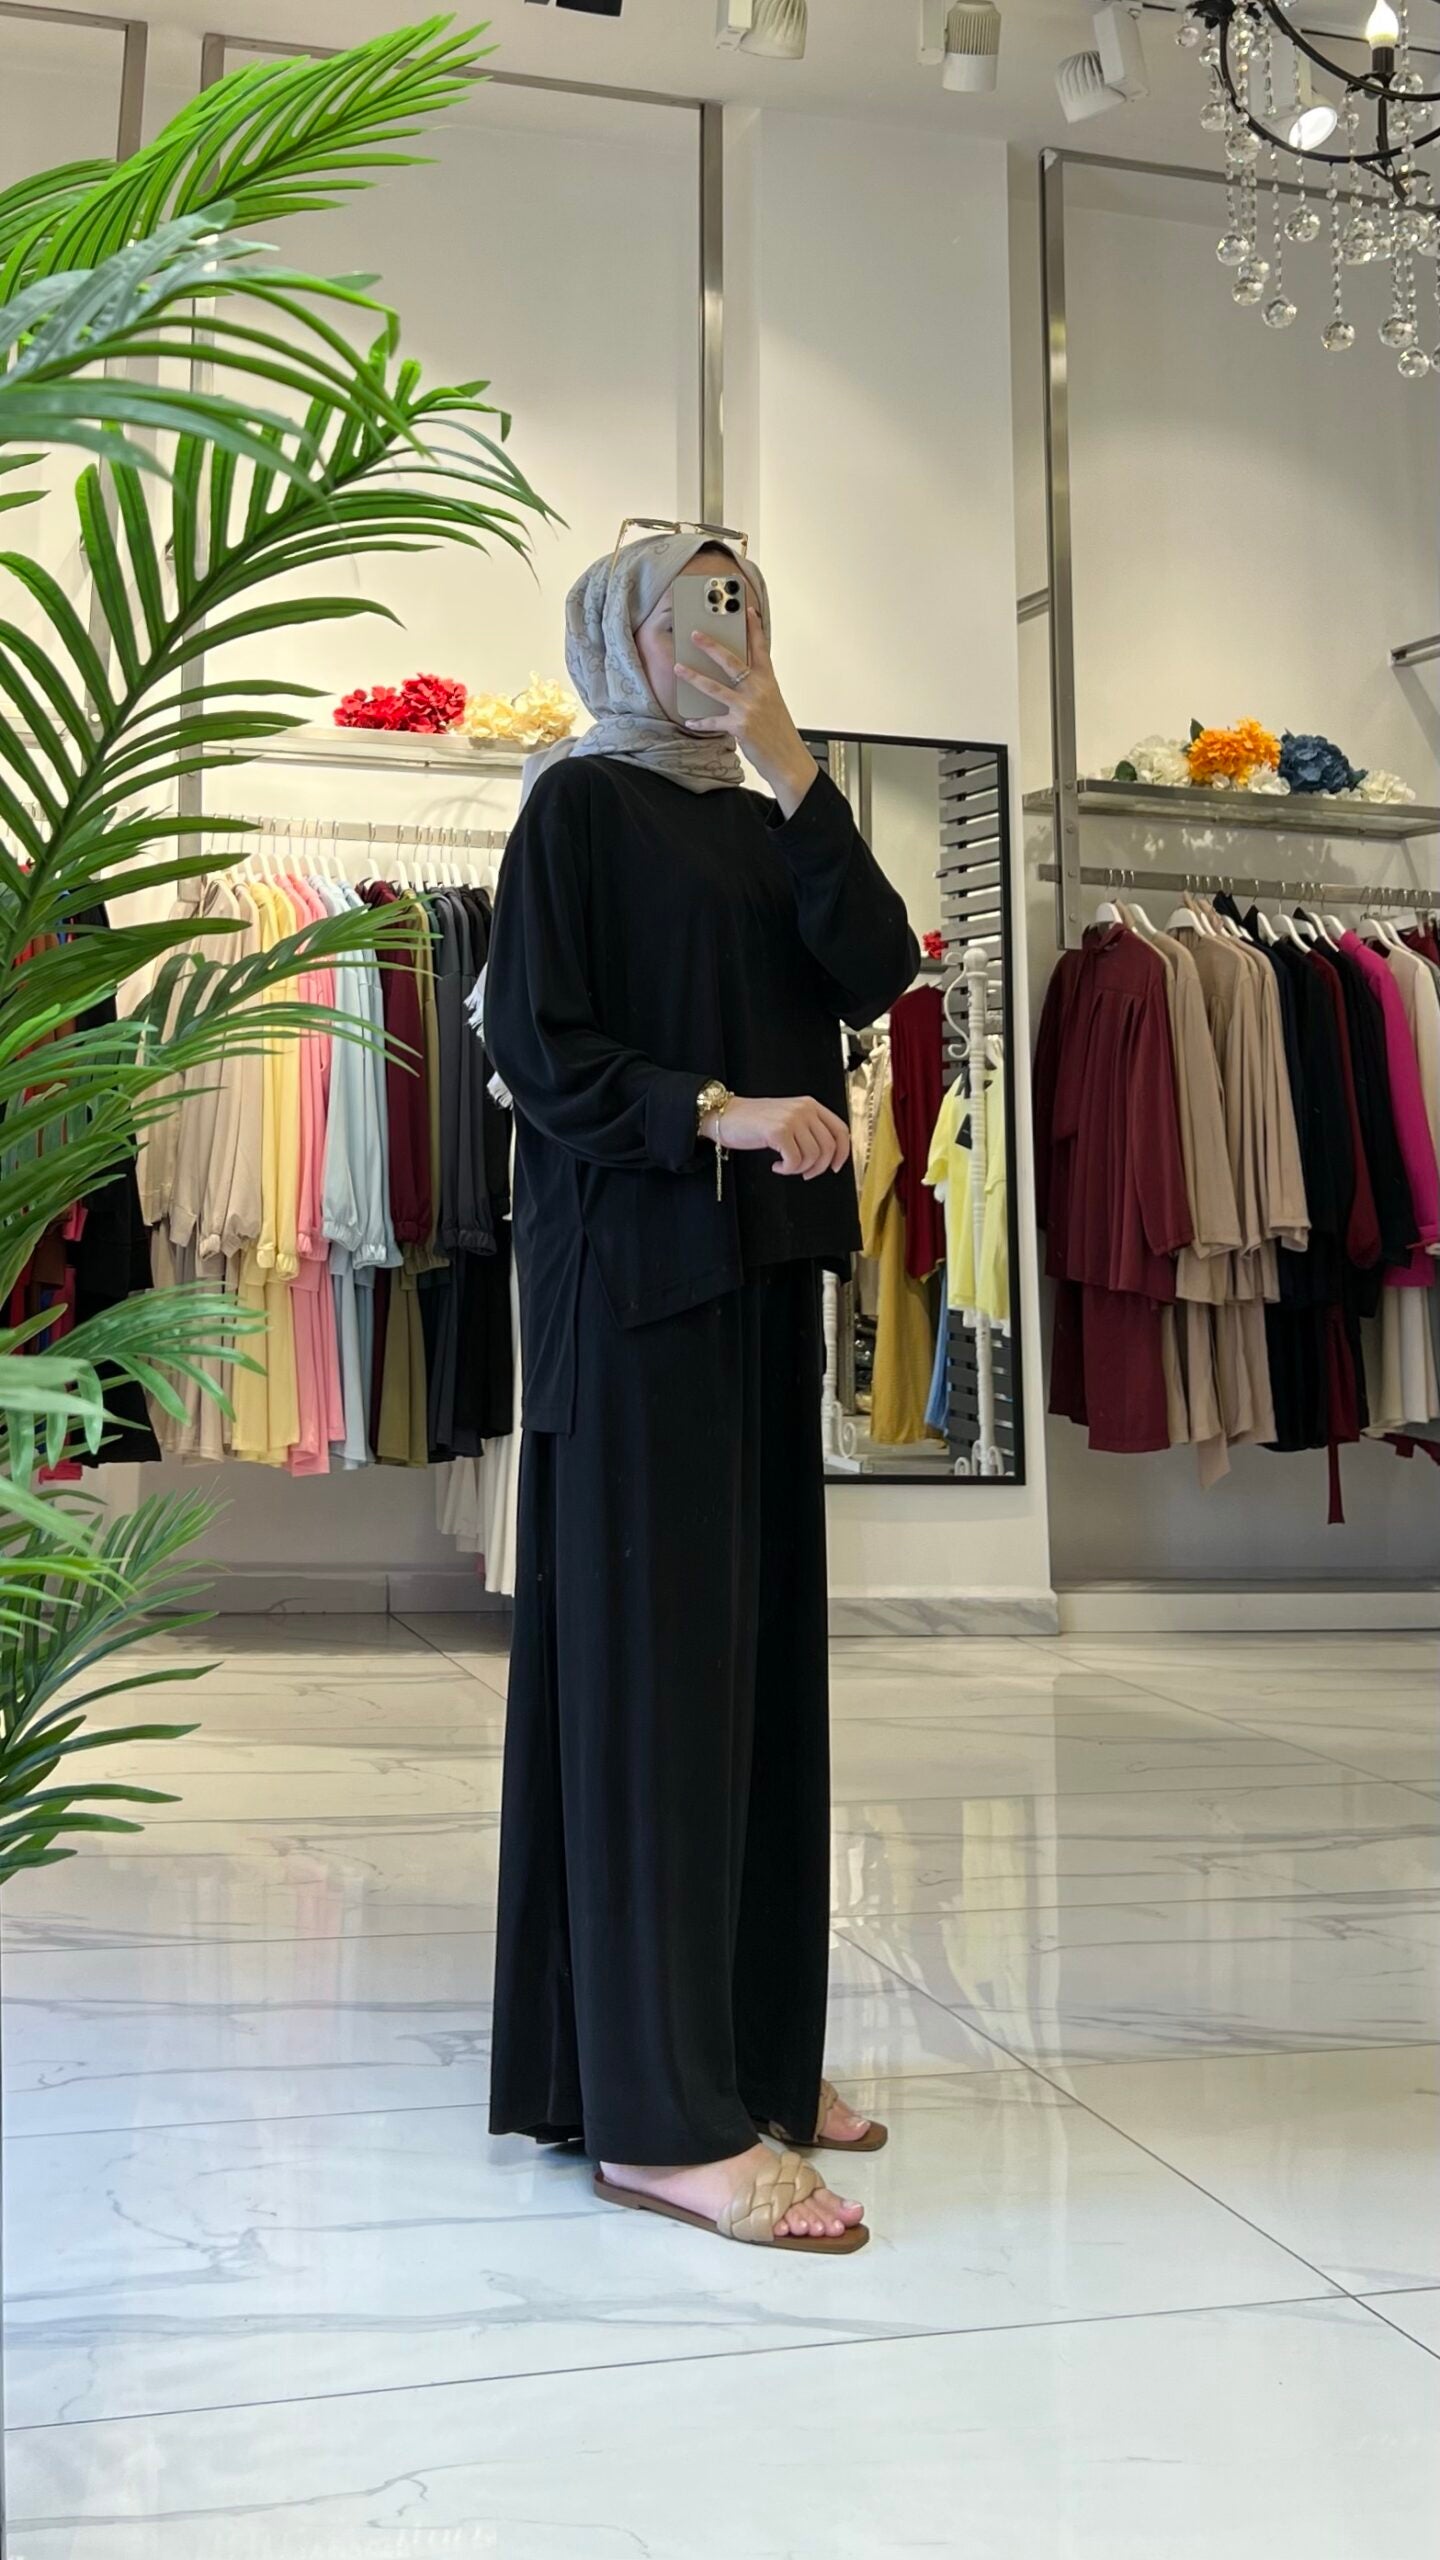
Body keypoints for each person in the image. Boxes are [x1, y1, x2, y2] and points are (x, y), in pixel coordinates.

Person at [484, 528, 919, 2254]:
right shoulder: (575, 810)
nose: (729, 631)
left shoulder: (760, 817)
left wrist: (791, 756)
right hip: (632, 1295)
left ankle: (748, 2054)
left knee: (755, 1680)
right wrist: (716, 1112)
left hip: (753, 1289)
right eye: (698, 607)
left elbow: (875, 966)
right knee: (656, 1692)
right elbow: (539, 1046)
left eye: (751, 603)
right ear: (624, 635)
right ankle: (658, 2120)